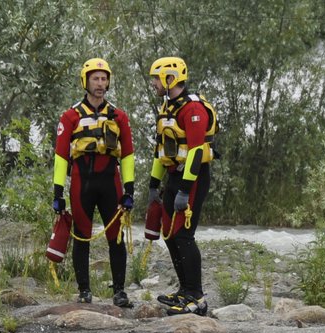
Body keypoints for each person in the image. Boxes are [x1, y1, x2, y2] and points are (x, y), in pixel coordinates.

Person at [52, 58, 137, 308]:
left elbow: (128, 155)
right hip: (82, 183)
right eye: (95, 79)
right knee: (81, 236)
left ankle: (120, 291)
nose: (100, 84)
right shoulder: (70, 117)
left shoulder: (119, 117)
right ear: (85, 81)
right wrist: (58, 193)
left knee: (116, 237)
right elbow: (59, 156)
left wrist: (129, 189)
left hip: (111, 182)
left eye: (104, 79)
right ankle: (84, 291)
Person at [146, 55, 217, 317]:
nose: (154, 83)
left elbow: (197, 153)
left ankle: (196, 297)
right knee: (170, 235)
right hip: (173, 176)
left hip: (193, 177)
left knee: (184, 236)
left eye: (156, 78)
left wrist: (186, 189)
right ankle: (184, 290)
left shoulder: (192, 109)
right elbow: (160, 150)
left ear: (170, 78)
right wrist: (154, 184)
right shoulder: (167, 109)